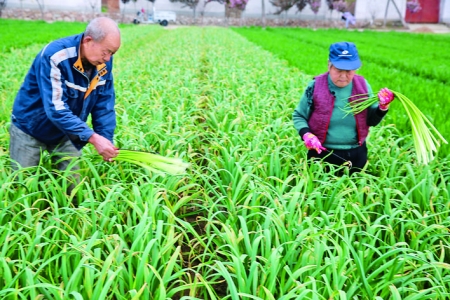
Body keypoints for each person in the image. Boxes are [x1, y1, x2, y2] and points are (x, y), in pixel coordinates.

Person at [9, 17, 121, 181]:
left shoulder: (102, 64)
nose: (108, 58)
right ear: (88, 40)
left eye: (112, 53)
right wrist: (93, 137)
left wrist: (105, 140)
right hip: (31, 128)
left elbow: (103, 105)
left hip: (67, 131)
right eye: (106, 51)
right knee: (23, 184)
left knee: (72, 186)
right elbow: (56, 109)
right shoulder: (55, 56)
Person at [292, 42, 394, 174]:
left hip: (356, 153)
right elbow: (299, 115)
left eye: (349, 71)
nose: (344, 76)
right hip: (322, 153)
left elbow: (371, 121)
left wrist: (383, 107)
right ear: (329, 65)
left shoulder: (362, 86)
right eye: (339, 70)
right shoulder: (316, 86)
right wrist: (306, 134)